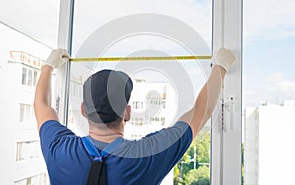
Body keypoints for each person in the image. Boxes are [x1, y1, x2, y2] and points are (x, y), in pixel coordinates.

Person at [34, 48, 235, 185]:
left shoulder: (58, 148)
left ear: (84, 110)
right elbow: (202, 111)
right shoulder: (146, 156)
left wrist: (48, 66)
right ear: (127, 113)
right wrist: (220, 66)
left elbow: (41, 104)